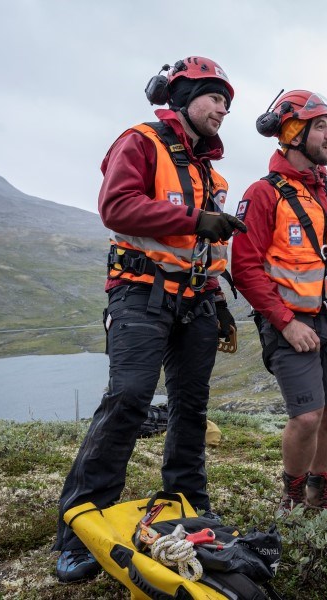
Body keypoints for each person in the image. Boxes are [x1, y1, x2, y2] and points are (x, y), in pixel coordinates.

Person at [53, 56, 246, 583]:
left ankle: (189, 506)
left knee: (191, 407)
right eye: (213, 98)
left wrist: (219, 299)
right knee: (129, 400)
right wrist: (195, 218)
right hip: (139, 295)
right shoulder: (139, 141)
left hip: (195, 303)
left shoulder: (212, 172)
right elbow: (116, 207)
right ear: (182, 99)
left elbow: (203, 248)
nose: (222, 109)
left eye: (226, 102)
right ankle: (77, 530)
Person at [231, 90, 327, 514]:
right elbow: (245, 267)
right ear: (293, 132)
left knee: (326, 415)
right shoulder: (263, 193)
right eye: (321, 125)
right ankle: (290, 497)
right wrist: (286, 322)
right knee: (306, 416)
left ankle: (317, 498)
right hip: (290, 325)